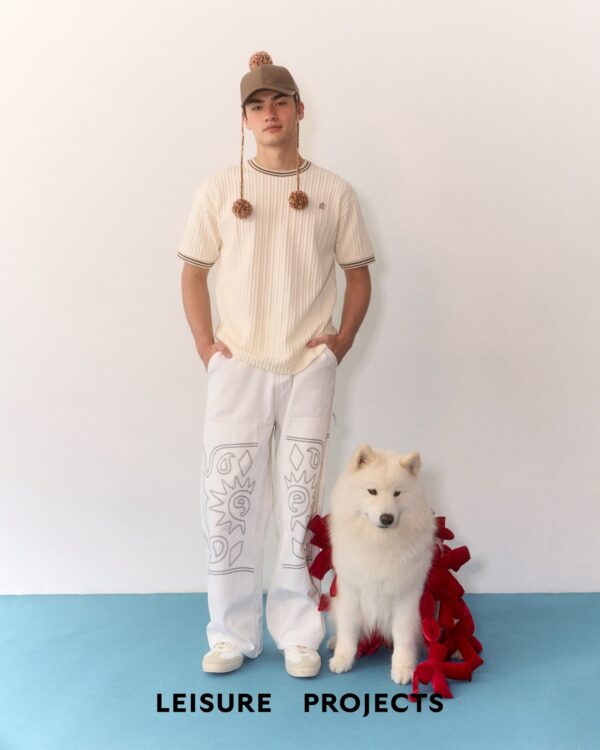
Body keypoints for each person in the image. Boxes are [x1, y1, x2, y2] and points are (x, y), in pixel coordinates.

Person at [177, 51, 375, 677]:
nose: (270, 114)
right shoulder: (219, 189)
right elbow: (193, 271)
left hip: (307, 369)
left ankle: (298, 632)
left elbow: (357, 273)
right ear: (244, 119)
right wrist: (206, 347)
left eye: (279, 102)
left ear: (299, 109)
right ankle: (231, 635)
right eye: (257, 106)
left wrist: (339, 343)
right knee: (228, 501)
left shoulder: (333, 191)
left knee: (298, 501)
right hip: (238, 367)